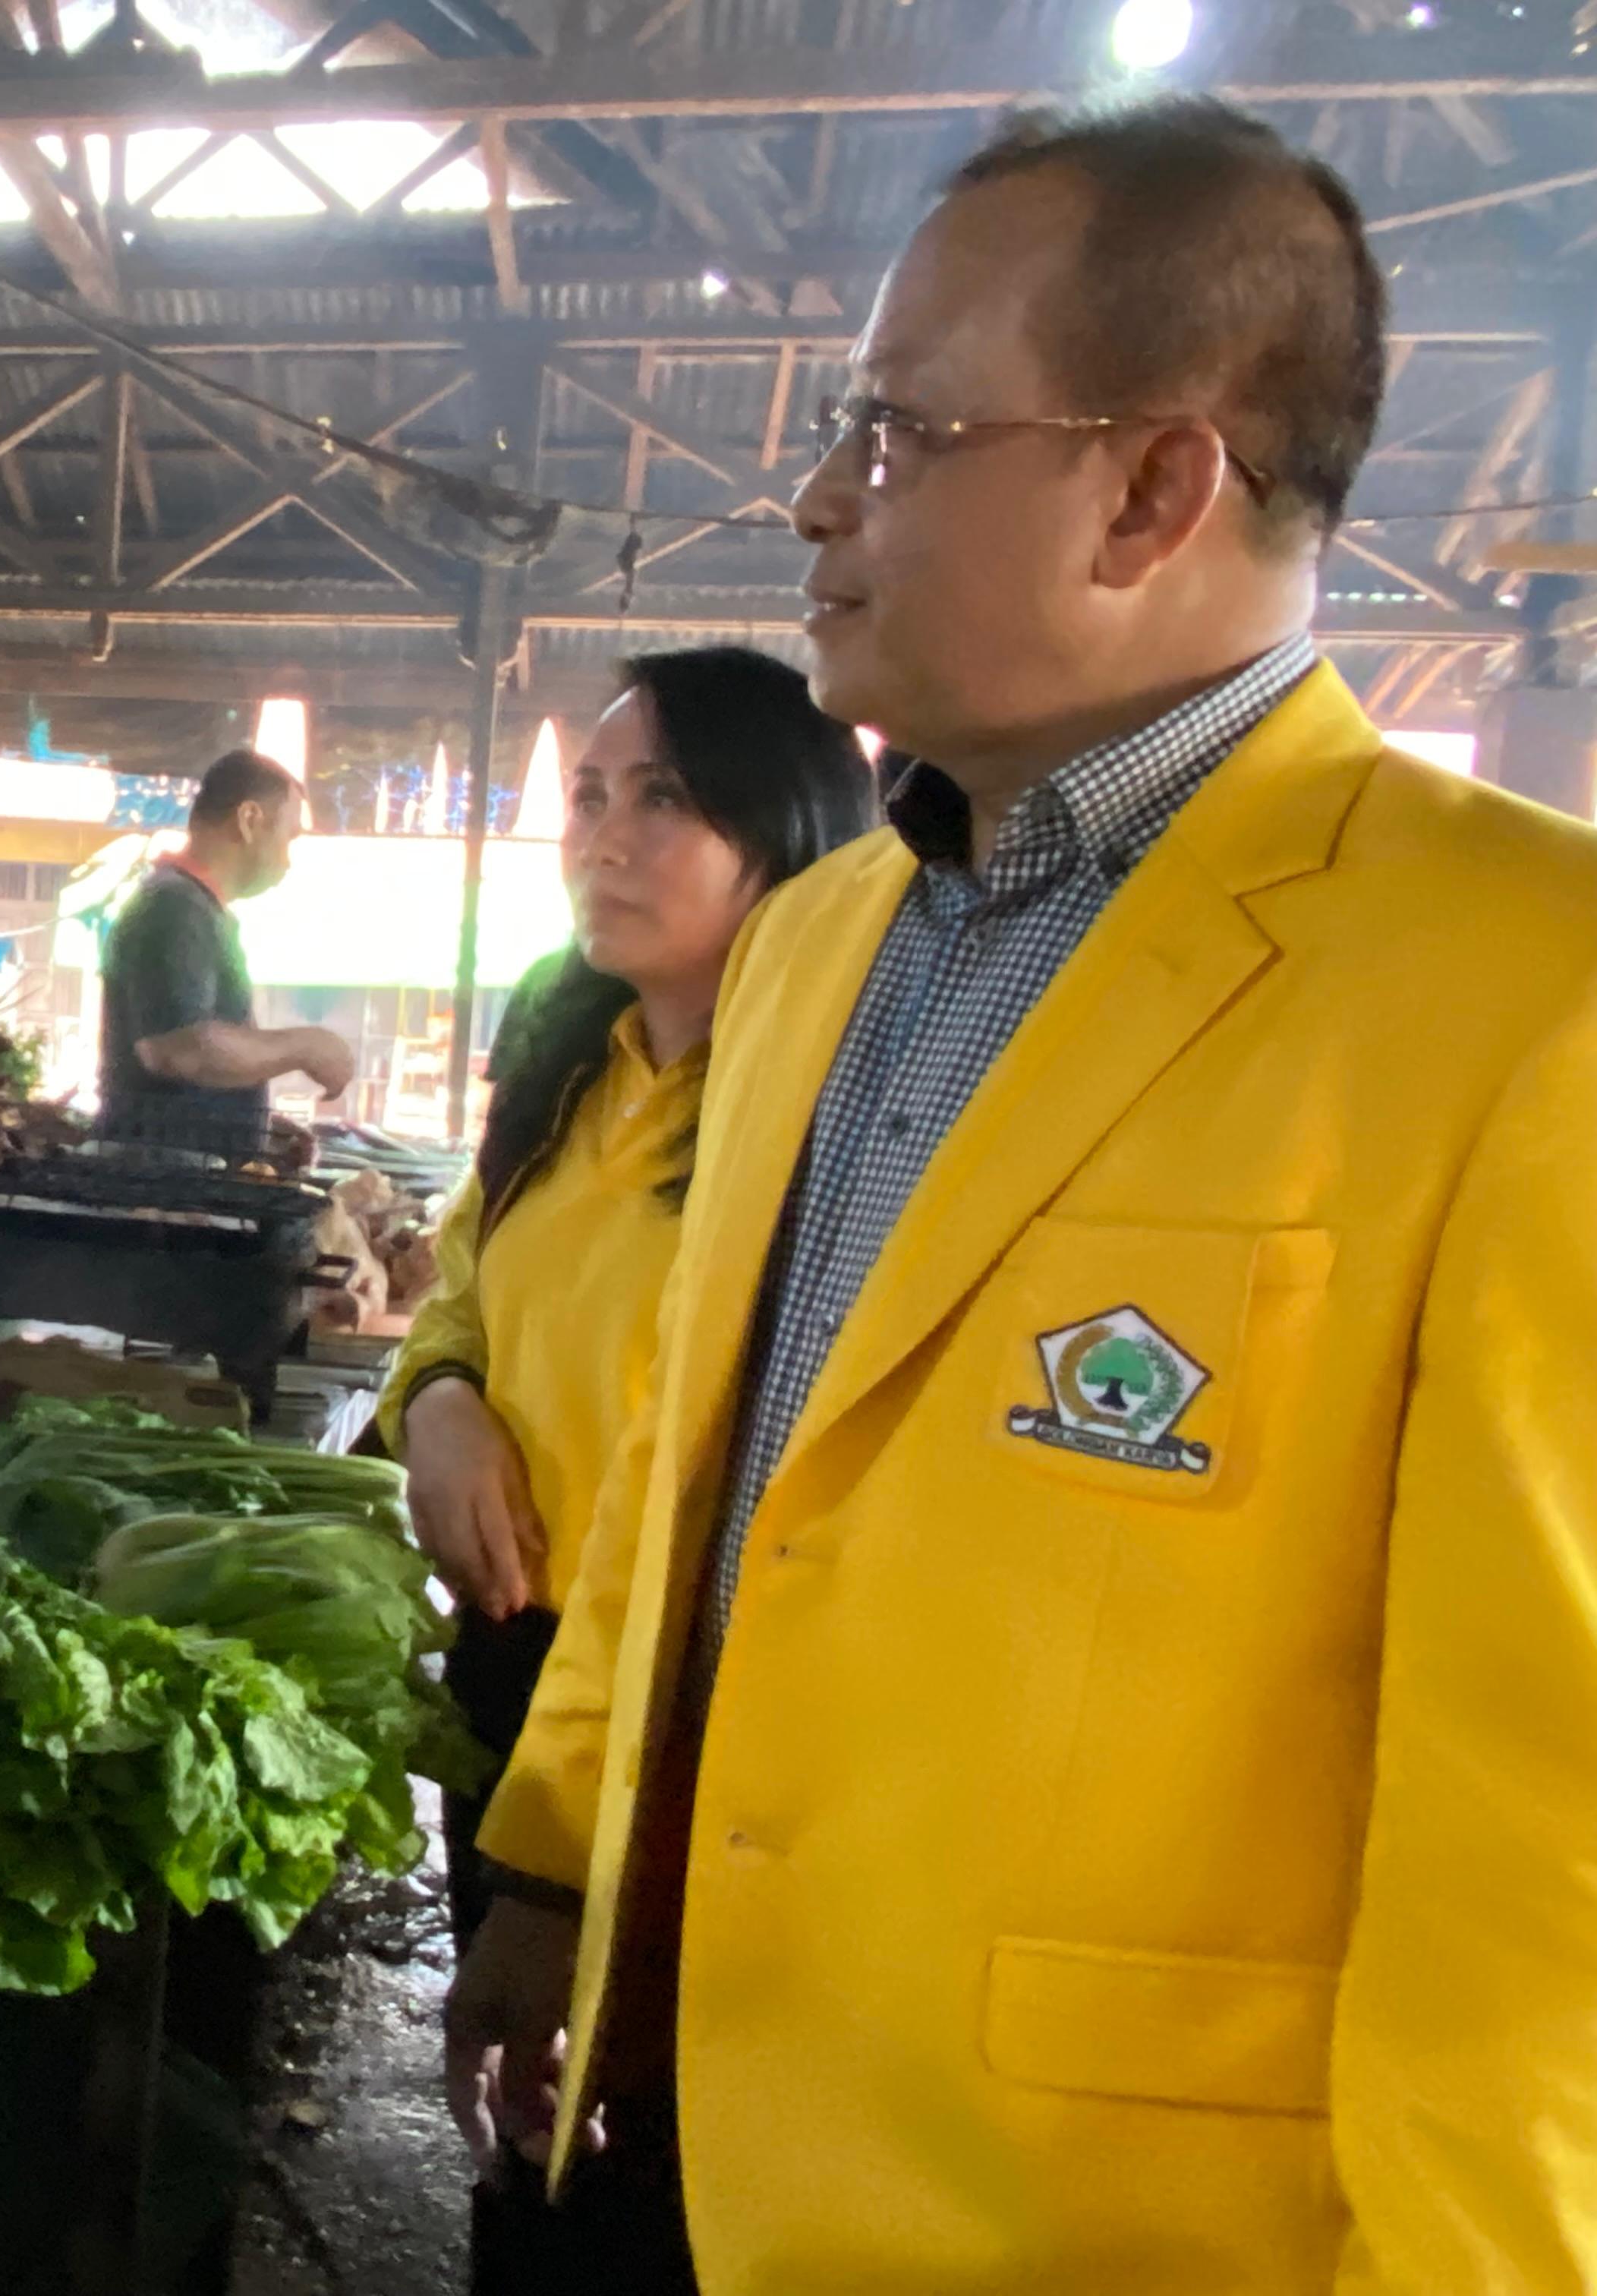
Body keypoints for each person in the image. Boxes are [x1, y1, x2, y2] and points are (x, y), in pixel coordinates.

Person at [447, 95, 1597, 2291]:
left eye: (896, 432)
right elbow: (701, 1477)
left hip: (1084, 2223)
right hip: (675, 2122)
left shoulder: (1532, 997)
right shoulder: (818, 943)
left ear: (1155, 487)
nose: (818, 497)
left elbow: (1556, 1877)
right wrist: (557, 1858)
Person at [379, 649, 868, 2289]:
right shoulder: (569, 1039)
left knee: (646, 2156)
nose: (602, 836)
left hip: (694, 1715)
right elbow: (462, 1277)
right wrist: (441, 1402)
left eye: (663, 797)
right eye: (590, 794)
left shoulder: (831, 1104)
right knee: (515, 2117)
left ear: (782, 828)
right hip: (512, 1667)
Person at [96, 748, 353, 1157]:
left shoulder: (195, 908)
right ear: (249, 820)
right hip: (163, 1184)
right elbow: (179, 1049)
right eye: (289, 837)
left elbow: (198, 1064)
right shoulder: (173, 907)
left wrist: (256, 1125)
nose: (288, 861)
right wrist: (306, 1046)